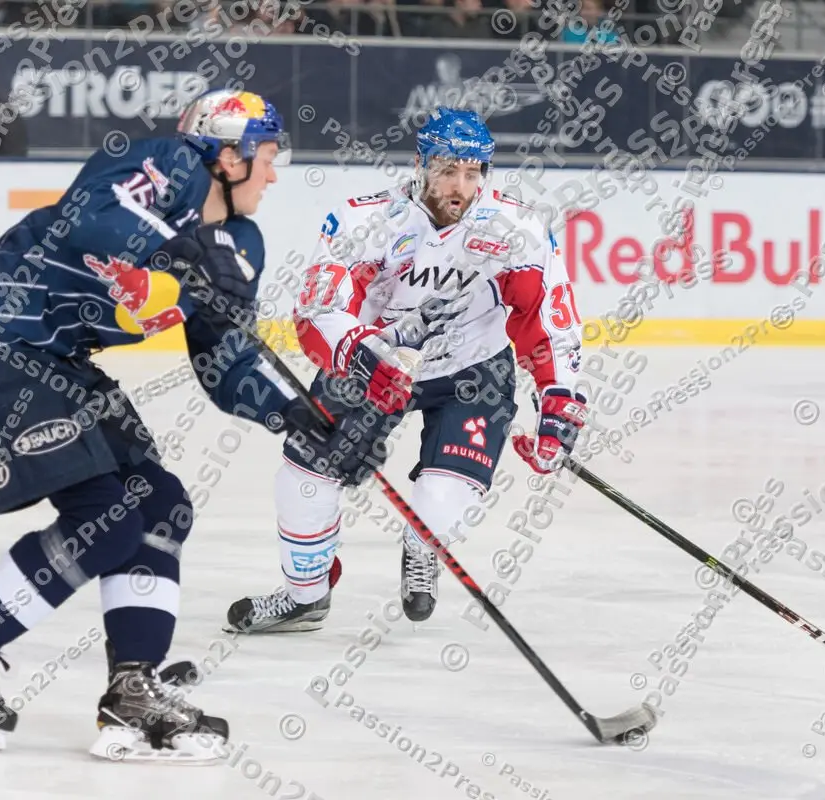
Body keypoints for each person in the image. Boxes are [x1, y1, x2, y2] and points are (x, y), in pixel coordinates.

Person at [0, 89, 345, 764]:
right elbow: (91, 214)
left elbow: (225, 362)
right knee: (104, 515)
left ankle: (132, 689)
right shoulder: (169, 165)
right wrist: (180, 250)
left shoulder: (242, 244)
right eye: (269, 157)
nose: (275, 175)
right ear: (228, 155)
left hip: (57, 358)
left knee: (159, 505)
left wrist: (303, 417)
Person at [226, 107, 587, 632]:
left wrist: (559, 403)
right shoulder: (365, 220)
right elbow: (317, 311)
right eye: (446, 170)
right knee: (303, 480)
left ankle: (422, 542)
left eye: (472, 172)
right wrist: (361, 353)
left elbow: (549, 320)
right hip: (375, 362)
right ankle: (305, 596)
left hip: (473, 369)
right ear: (420, 164)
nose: (459, 186)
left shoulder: (519, 230)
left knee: (443, 505)